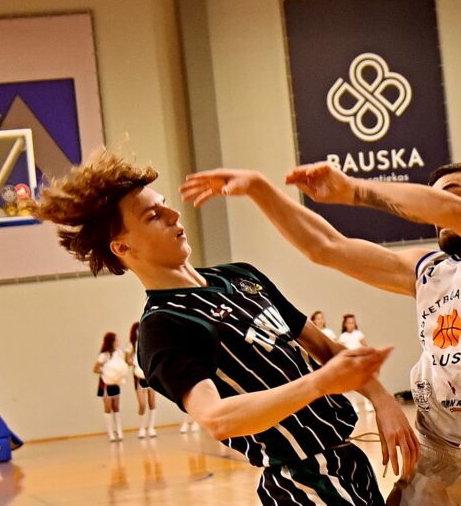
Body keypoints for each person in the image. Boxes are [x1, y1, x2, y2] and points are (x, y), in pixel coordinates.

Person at [32, 149, 416, 505]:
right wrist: (320, 383)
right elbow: (217, 418)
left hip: (348, 459)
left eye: (165, 205)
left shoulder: (240, 276)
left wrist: (383, 401)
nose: (174, 215)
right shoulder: (163, 327)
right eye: (152, 216)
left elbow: (328, 350)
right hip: (302, 482)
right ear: (122, 248)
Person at [180, 160, 461, 505]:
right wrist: (259, 189)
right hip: (431, 462)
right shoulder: (429, 270)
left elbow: (450, 210)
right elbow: (326, 247)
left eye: (451, 191)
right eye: (432, 198)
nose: (436, 212)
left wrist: (353, 190)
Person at [126, 322, 157, 438]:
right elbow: (127, 360)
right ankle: (142, 428)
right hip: (138, 377)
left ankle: (151, 427)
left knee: (152, 402)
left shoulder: (147, 342)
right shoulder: (131, 345)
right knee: (142, 404)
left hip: (149, 376)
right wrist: (131, 360)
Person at [94, 331, 126, 442]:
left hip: (115, 383)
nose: (118, 341)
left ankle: (119, 431)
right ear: (111, 341)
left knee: (116, 406)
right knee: (108, 408)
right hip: (105, 383)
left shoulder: (119, 353)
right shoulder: (103, 355)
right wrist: (107, 371)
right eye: (116, 340)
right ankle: (110, 432)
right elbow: (95, 369)